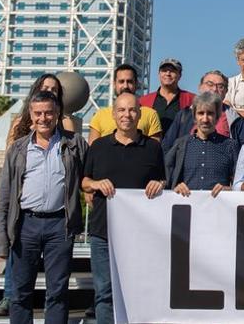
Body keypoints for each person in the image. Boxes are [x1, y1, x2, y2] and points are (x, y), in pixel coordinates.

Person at [0, 90, 87, 324]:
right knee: (20, 292)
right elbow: (4, 196)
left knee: (57, 291)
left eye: (48, 113)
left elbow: (89, 176)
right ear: (30, 115)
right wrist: (0, 241)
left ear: (57, 114)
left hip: (60, 226)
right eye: (38, 113)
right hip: (26, 224)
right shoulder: (17, 149)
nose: (43, 118)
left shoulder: (74, 144)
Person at [81, 92, 166, 324]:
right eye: (121, 110)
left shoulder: (153, 148)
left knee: (139, 292)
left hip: (141, 234)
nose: (126, 115)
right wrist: (96, 183)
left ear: (140, 114)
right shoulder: (98, 147)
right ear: (113, 114)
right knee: (104, 293)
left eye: (131, 110)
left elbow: (163, 181)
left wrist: (159, 184)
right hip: (103, 232)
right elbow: (84, 182)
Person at [165, 92, 239, 198]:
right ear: (194, 116)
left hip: (219, 209)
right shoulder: (181, 145)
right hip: (186, 207)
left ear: (217, 116)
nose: (205, 119)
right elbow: (166, 179)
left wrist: (229, 189)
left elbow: (240, 184)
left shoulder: (230, 146)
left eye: (210, 113)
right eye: (200, 113)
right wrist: (176, 187)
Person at [160, 70, 238, 154]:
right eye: (210, 84)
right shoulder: (184, 115)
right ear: (200, 87)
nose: (215, 89)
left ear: (226, 91)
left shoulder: (234, 118)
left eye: (220, 86)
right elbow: (167, 147)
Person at [89, 64, 163, 143]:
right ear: (114, 84)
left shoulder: (150, 115)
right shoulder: (100, 115)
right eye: (121, 81)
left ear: (136, 84)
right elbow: (93, 150)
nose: (125, 86)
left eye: (130, 81)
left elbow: (154, 150)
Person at [139, 58, 196, 137]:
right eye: (164, 70)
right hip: (151, 147)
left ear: (180, 75)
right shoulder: (144, 101)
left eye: (172, 71)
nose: (168, 73)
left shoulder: (192, 99)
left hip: (180, 147)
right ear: (159, 74)